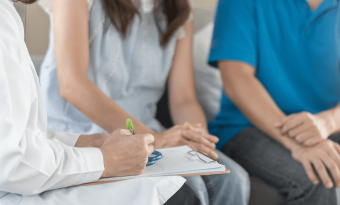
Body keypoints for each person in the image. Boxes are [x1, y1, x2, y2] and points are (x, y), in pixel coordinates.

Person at [38, 0, 250, 204]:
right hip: (84, 138)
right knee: (190, 184)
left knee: (233, 180)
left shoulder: (179, 8)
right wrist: (155, 139)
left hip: (148, 135)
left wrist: (198, 140)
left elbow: (184, 99)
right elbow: (72, 86)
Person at [0, 0, 202, 204]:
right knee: (182, 193)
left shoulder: (8, 15)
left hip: (107, 142)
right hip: (68, 154)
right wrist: (106, 158)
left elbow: (18, 138)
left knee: (222, 181)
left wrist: (85, 143)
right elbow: (12, 160)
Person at [208, 0, 340, 204]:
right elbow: (236, 78)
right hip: (245, 128)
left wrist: (324, 123)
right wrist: (298, 141)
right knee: (321, 175)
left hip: (322, 129)